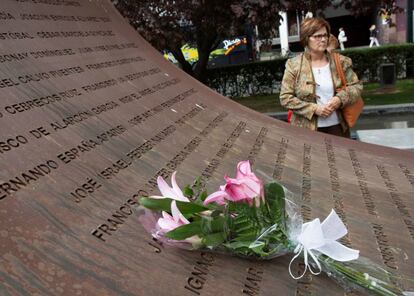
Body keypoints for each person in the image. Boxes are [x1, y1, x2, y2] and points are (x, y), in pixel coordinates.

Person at [279, 18, 362, 138]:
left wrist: (339, 99)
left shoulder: (341, 61)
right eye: (317, 36)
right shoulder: (294, 65)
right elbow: (285, 98)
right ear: (306, 39)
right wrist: (314, 109)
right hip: (305, 131)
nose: (323, 39)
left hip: (337, 128)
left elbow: (356, 86)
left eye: (325, 35)